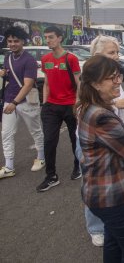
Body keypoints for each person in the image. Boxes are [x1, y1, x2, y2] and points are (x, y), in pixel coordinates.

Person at [77, 55, 124, 262]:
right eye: (111, 78)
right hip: (115, 196)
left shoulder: (88, 108)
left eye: (118, 76)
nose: (118, 81)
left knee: (114, 242)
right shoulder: (102, 116)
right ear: (95, 83)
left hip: (103, 193)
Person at [80, 35, 124, 247]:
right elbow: (80, 106)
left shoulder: (113, 75)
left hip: (116, 135)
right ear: (96, 56)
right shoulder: (89, 77)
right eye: (111, 53)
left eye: (117, 52)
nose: (117, 56)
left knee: (112, 183)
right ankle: (96, 228)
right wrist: (115, 102)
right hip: (97, 139)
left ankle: (112, 223)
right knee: (96, 184)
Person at [36, 26, 81, 192]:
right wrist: (45, 103)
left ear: (60, 38)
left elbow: (79, 84)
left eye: (51, 37)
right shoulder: (46, 58)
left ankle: (78, 166)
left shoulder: (71, 59)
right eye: (46, 37)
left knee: (75, 139)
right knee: (49, 141)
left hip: (70, 106)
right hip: (52, 107)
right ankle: (51, 176)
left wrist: (77, 103)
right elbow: (46, 83)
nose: (48, 40)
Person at [0, 26, 45, 179]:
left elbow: (27, 84)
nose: (12, 44)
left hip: (25, 102)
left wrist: (14, 102)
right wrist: (4, 74)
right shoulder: (7, 57)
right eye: (10, 41)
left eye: (16, 41)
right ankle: (9, 166)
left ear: (23, 42)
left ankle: (41, 157)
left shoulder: (29, 60)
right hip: (9, 100)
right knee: (6, 134)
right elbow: (10, 75)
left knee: (35, 131)